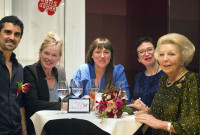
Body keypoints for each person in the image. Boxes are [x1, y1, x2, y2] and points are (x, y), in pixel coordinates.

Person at [128, 33, 200, 134]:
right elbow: (163, 111)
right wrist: (147, 111)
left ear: (182, 58)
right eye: (161, 54)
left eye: (171, 54)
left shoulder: (192, 80)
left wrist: (159, 123)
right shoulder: (164, 79)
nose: (165, 59)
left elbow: (193, 127)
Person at [22, 32, 67, 135]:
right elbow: (33, 104)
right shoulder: (30, 71)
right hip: (38, 129)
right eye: (46, 53)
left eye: (54, 55)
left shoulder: (60, 72)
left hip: (59, 126)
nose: (49, 58)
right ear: (40, 53)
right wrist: (61, 106)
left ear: (59, 57)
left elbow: (66, 98)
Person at [71, 37, 130, 104]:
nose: (102, 56)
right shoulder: (82, 70)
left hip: (108, 114)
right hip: (85, 114)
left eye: (106, 52)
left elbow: (125, 100)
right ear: (92, 55)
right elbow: (73, 99)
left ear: (111, 56)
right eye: (98, 52)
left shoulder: (118, 71)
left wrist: (99, 100)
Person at [0, 16, 27, 135]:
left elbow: (20, 104)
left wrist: (24, 131)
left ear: (20, 38)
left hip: (15, 131)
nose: (12, 37)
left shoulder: (19, 68)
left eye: (17, 34)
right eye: (7, 32)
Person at [132, 37, 164, 135]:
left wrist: (148, 110)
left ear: (157, 51)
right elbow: (133, 99)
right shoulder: (138, 77)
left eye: (150, 49)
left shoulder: (167, 75)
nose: (146, 54)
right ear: (138, 59)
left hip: (159, 127)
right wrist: (135, 105)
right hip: (138, 125)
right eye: (141, 52)